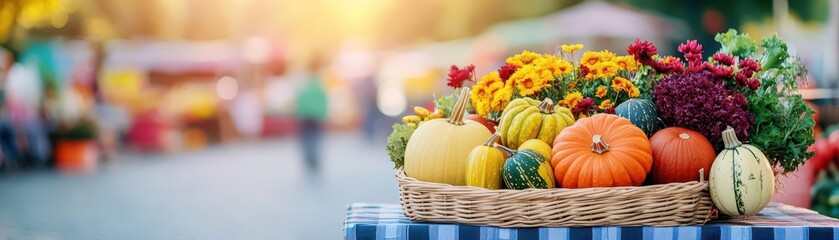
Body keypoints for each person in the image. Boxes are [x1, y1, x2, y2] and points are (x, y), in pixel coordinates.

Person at [295, 58, 328, 172]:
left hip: (305, 114)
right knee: (314, 137)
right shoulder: (320, 81)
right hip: (316, 114)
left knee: (307, 138)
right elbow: (324, 98)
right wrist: (324, 112)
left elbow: (299, 98)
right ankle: (313, 159)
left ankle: (309, 159)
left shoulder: (303, 81)